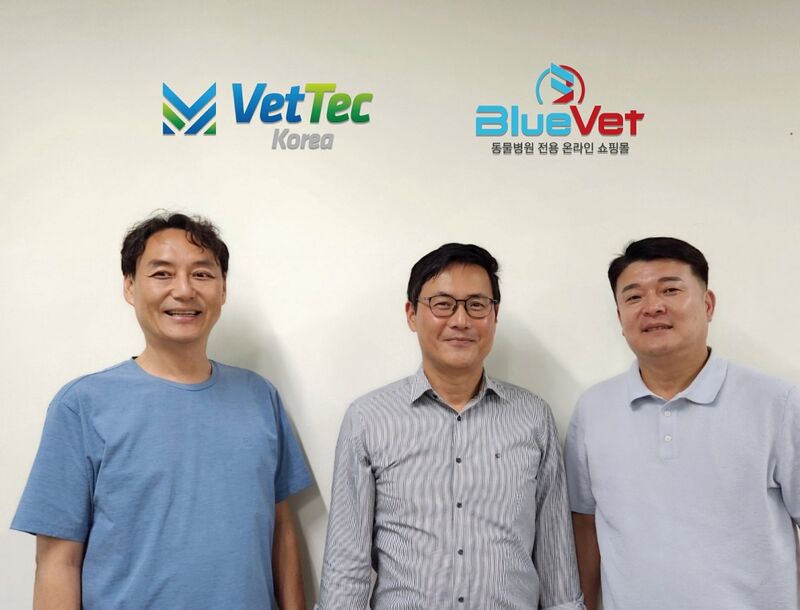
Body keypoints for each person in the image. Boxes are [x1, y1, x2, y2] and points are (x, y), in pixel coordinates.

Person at [11, 212, 312, 609]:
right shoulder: (82, 405)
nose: (184, 290)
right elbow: (57, 562)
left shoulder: (260, 397)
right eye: (162, 274)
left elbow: (281, 530)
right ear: (130, 286)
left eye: (202, 274)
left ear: (223, 289)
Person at [316, 243, 585, 610]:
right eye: (442, 304)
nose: (461, 321)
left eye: (477, 304)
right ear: (412, 314)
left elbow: (557, 566)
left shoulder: (533, 417)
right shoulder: (368, 418)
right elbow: (347, 568)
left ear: (494, 314)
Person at [565, 237, 800, 610]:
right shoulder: (593, 410)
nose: (653, 306)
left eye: (670, 290)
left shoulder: (778, 403)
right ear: (620, 318)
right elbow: (585, 524)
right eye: (634, 297)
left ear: (708, 305)